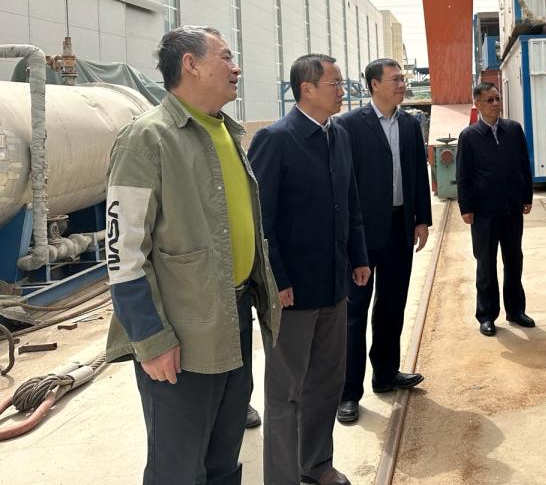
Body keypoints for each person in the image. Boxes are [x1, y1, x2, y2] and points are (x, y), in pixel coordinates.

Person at [104, 26, 280, 485]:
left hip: (233, 319)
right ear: (191, 64)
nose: (236, 67)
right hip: (180, 336)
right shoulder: (148, 138)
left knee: (224, 459)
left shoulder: (226, 132)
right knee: (178, 469)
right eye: (226, 57)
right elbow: (123, 252)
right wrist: (151, 339)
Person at [249, 54, 371, 485]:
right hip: (292, 292)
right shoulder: (275, 140)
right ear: (307, 89)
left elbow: (350, 201)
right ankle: (281, 477)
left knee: (326, 382)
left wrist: (358, 256)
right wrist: (277, 279)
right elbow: (260, 220)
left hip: (334, 283)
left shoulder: (337, 136)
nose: (343, 91)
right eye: (335, 83)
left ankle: (316, 464)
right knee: (286, 393)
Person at [336, 58, 432, 424]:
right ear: (374, 84)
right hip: (361, 233)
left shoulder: (409, 124)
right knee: (354, 313)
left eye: (403, 78)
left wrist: (421, 219)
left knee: (392, 304)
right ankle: (348, 393)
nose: (402, 84)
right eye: (395, 79)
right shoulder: (348, 125)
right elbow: (342, 182)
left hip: (399, 227)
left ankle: (386, 373)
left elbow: (418, 174)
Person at [456, 82, 535, 337]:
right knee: (486, 265)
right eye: (489, 100)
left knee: (514, 261)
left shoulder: (513, 130)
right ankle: (487, 315)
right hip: (484, 213)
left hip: (512, 209)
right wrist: (466, 207)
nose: (496, 104)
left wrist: (527, 196)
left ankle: (516, 310)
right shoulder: (469, 137)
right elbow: (463, 176)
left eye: (497, 98)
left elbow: (524, 165)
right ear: (477, 104)